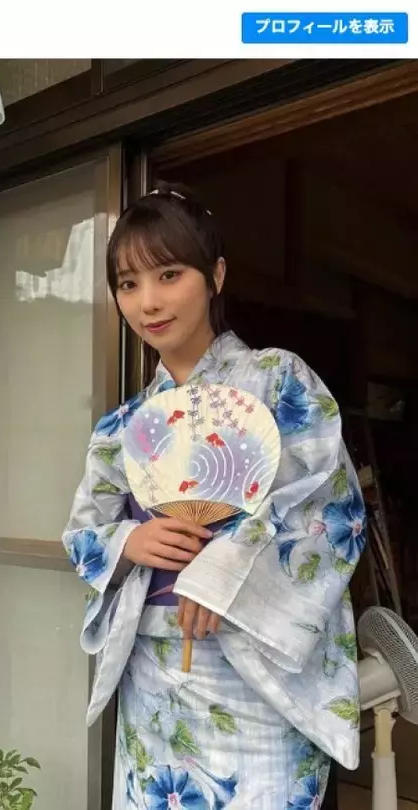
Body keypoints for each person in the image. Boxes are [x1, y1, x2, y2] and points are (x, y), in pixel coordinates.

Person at [62, 183, 366, 809]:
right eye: (128, 284)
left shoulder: (278, 381)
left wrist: (223, 572)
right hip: (154, 673)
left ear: (216, 276)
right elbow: (84, 534)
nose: (148, 302)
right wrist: (131, 540)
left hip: (254, 669)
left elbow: (331, 509)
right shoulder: (122, 425)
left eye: (169, 274)